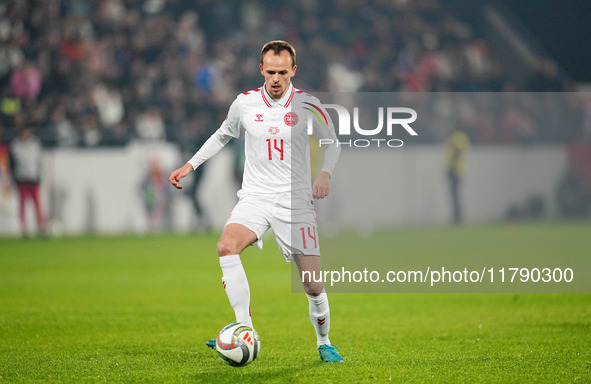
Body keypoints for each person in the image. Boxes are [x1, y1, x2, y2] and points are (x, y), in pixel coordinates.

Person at [169, 41, 343, 363]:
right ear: (261, 69)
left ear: (293, 71)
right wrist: (189, 165)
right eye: (270, 72)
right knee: (226, 247)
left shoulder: (308, 104)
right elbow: (222, 134)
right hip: (255, 196)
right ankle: (244, 330)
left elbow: (332, 143)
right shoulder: (244, 103)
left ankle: (324, 342)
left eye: (283, 72)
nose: (276, 79)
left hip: (296, 203)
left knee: (313, 284)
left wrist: (325, 175)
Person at [9, 128, 46, 236]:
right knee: (22, 205)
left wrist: (39, 176)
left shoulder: (35, 144)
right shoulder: (15, 145)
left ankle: (41, 226)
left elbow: (39, 162)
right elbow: (12, 164)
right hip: (21, 179)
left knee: (37, 204)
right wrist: (13, 178)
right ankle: (24, 227)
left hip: (33, 178)